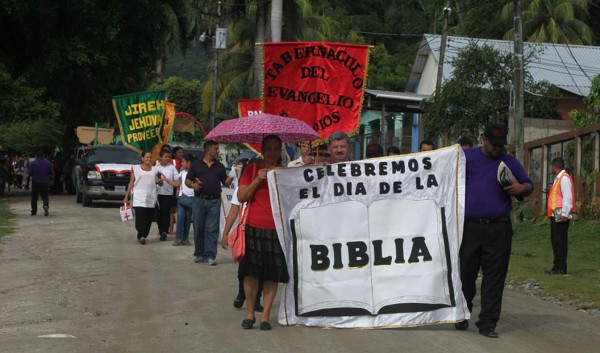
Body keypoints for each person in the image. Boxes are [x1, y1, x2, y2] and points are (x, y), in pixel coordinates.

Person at [456, 124, 533, 338]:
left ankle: (488, 322)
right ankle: (462, 312)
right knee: (465, 273)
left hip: (499, 228)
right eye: (494, 145)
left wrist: (521, 188)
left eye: (501, 145)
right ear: (484, 139)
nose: (497, 149)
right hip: (469, 227)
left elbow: (528, 185)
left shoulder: (508, 160)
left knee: (494, 278)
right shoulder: (465, 157)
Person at [237, 134, 289, 331]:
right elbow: (241, 197)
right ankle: (250, 312)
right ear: (263, 150)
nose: (273, 152)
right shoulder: (251, 169)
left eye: (276, 148)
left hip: (277, 229)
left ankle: (265, 316)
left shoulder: (285, 172)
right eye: (269, 148)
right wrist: (257, 180)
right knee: (251, 274)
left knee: (272, 276)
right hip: (253, 227)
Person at [221, 159, 264, 312]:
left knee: (261, 269)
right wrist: (225, 233)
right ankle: (241, 294)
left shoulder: (266, 187)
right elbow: (233, 211)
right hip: (245, 232)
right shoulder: (240, 189)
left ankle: (257, 299)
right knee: (244, 268)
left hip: (263, 232)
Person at [186, 140, 233, 265]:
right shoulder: (196, 165)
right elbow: (187, 180)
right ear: (208, 150)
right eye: (216, 149)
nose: (218, 151)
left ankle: (210, 255)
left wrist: (233, 175)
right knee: (198, 228)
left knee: (212, 229)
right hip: (199, 200)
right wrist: (193, 185)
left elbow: (225, 182)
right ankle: (199, 254)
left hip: (214, 201)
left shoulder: (220, 166)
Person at [545, 157, 575, 275]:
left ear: (555, 166)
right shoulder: (558, 179)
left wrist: (564, 214)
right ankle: (557, 266)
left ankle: (560, 268)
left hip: (561, 216)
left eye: (552, 166)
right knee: (556, 241)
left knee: (560, 242)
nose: (551, 169)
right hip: (555, 216)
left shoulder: (564, 179)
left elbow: (568, 197)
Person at [124, 150, 161, 245]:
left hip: (151, 197)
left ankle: (143, 235)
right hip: (139, 197)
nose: (149, 159)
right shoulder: (136, 168)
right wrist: (126, 196)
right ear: (142, 158)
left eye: (150, 157)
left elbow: (158, 180)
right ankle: (141, 235)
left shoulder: (155, 169)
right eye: (147, 157)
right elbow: (131, 182)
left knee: (148, 218)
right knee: (140, 217)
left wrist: (160, 182)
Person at [155, 149, 178, 241]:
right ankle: (160, 230)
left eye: (168, 157)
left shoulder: (172, 168)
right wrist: (158, 180)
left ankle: (164, 231)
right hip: (158, 194)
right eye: (165, 156)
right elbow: (152, 179)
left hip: (168, 194)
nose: (167, 158)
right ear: (160, 157)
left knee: (166, 213)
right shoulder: (156, 168)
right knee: (158, 214)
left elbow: (177, 179)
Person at [23, 150, 53, 216]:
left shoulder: (33, 163)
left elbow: (27, 173)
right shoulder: (48, 163)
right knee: (45, 196)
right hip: (45, 182)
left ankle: (34, 211)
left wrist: (24, 181)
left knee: (34, 197)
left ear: (36, 155)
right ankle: (45, 205)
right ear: (44, 155)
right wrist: (51, 181)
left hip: (35, 181)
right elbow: (51, 174)